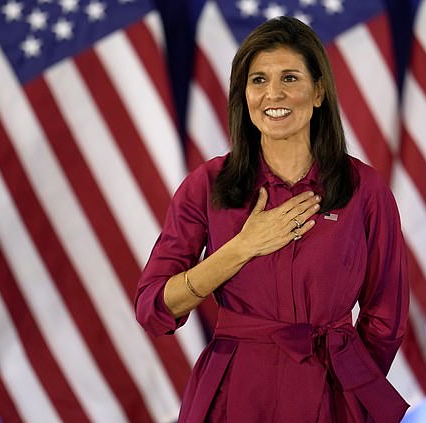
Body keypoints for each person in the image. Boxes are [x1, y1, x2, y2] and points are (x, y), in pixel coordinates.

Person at [135, 16, 409, 423]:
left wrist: (346, 385)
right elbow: (152, 308)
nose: (272, 94)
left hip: (333, 394)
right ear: (243, 95)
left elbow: (385, 318)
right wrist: (243, 247)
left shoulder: (365, 190)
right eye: (258, 80)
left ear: (318, 92)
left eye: (290, 78)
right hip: (235, 394)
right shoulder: (206, 186)